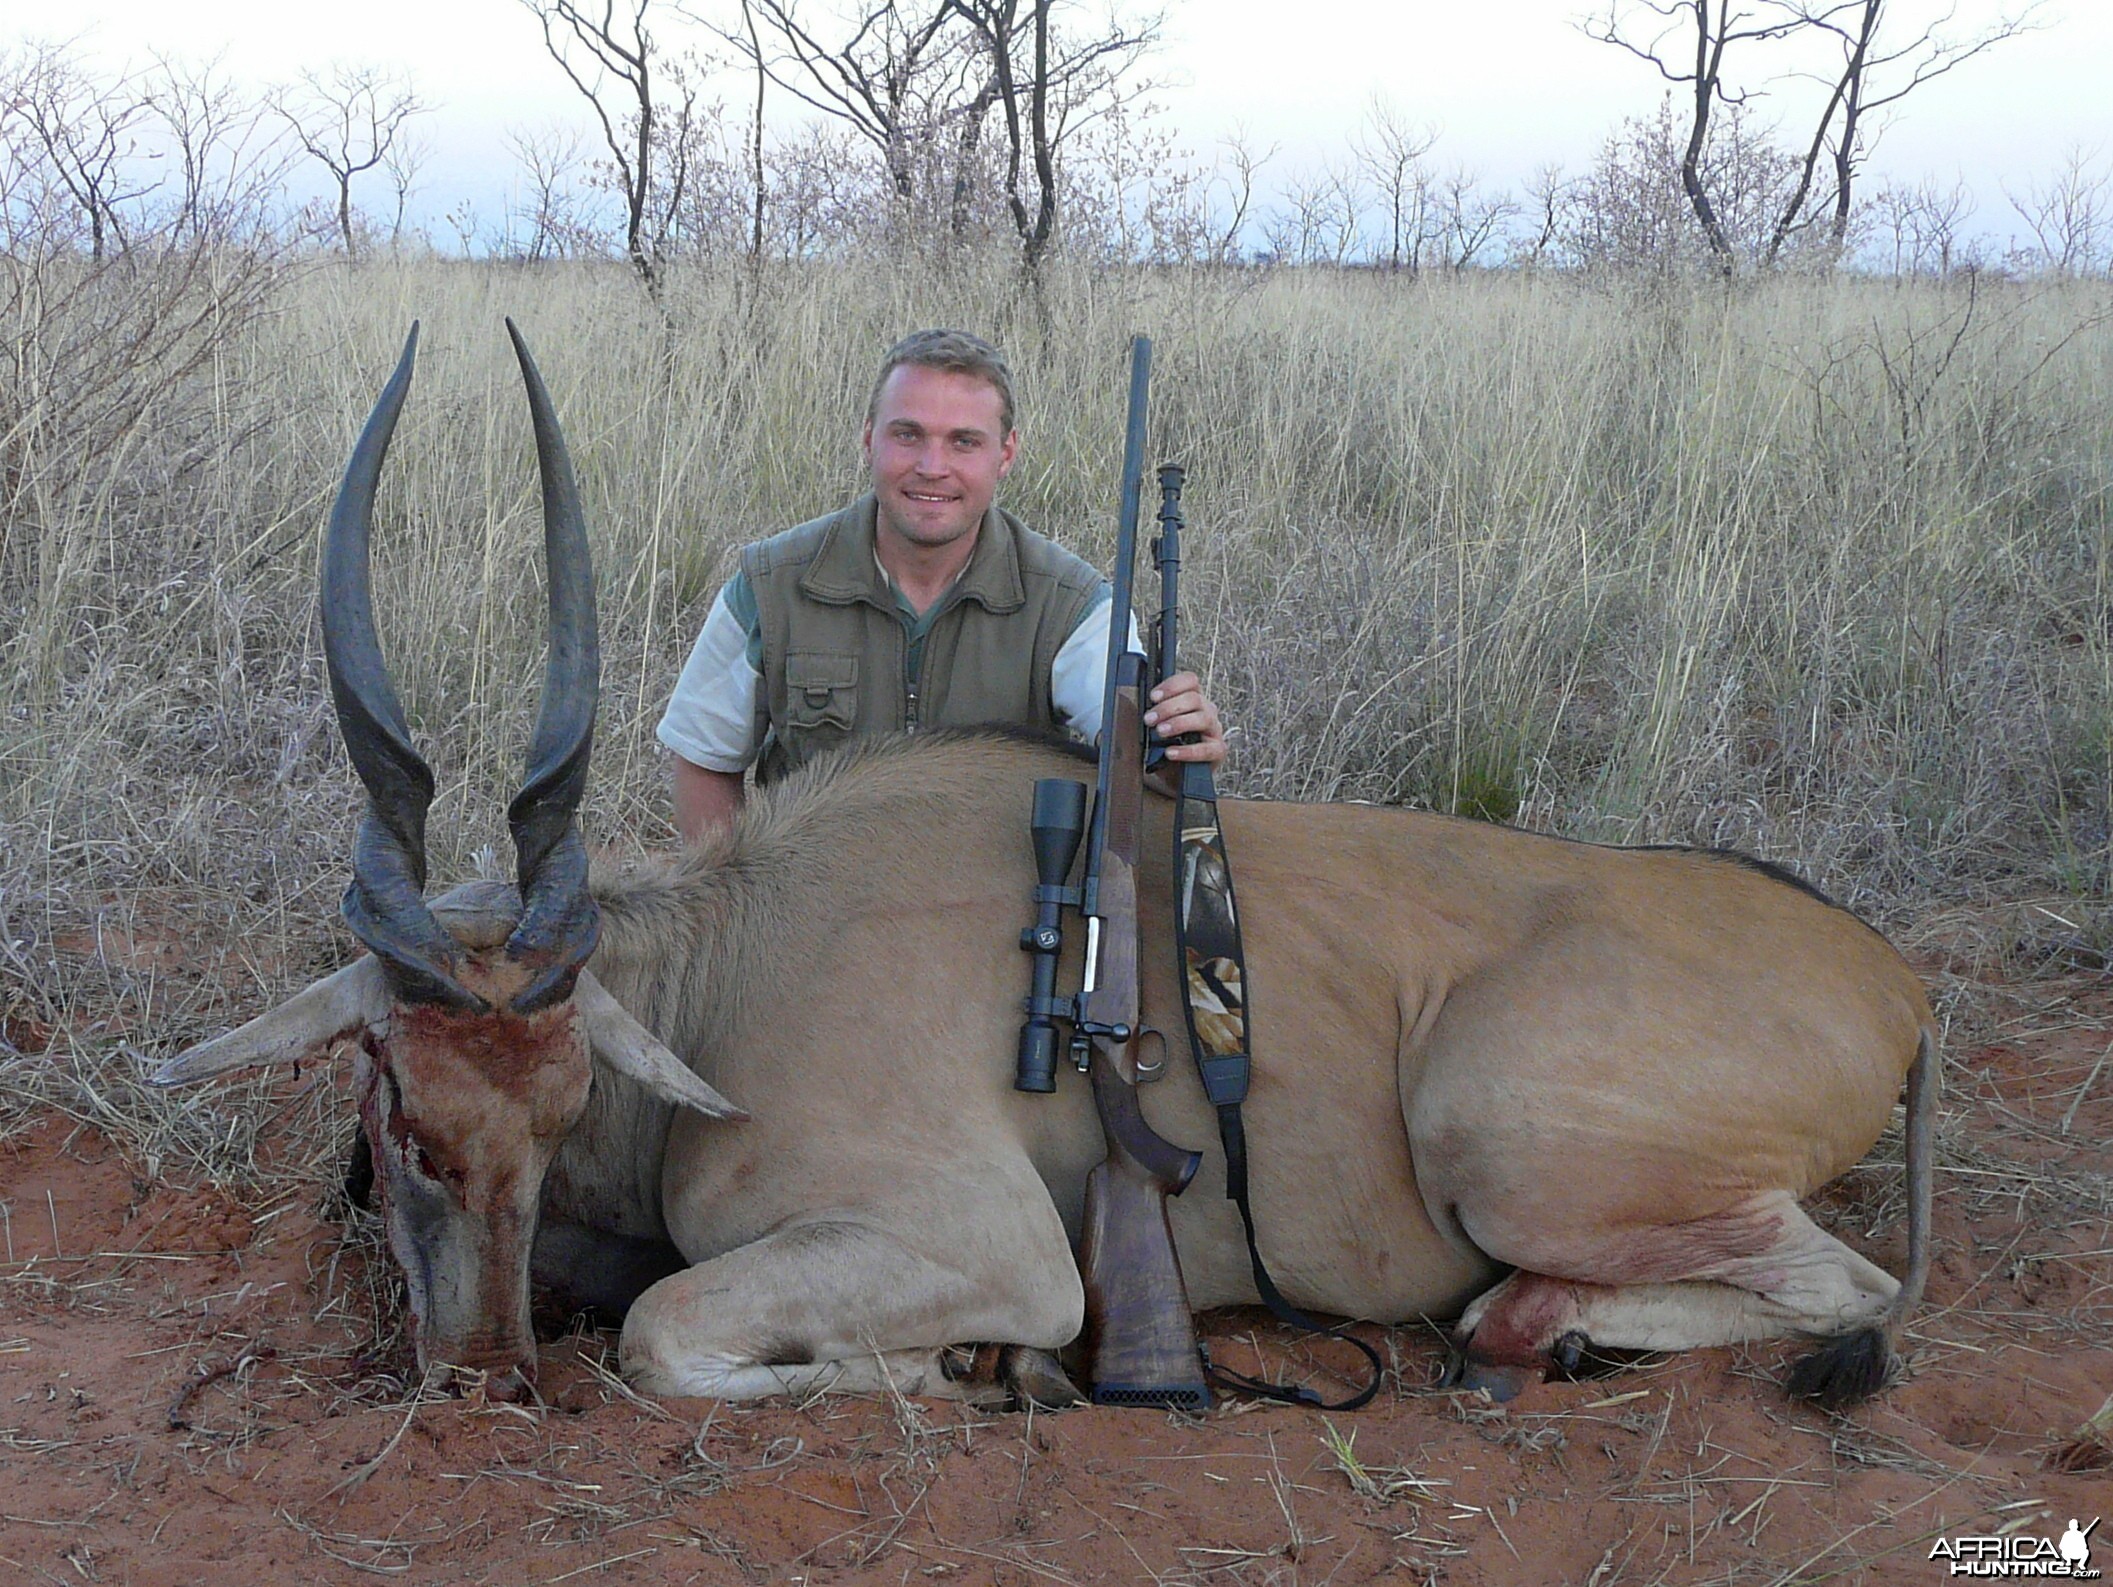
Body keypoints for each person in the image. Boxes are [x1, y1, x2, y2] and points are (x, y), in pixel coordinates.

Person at [657, 328, 1226, 841]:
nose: (932, 466)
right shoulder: (768, 586)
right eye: (908, 435)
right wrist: (742, 911)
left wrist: (1180, 752)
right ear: (868, 439)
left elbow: (1141, 767)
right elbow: (705, 761)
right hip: (814, 922)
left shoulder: (1074, 607)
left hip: (997, 921)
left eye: (963, 442)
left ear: (1005, 454)